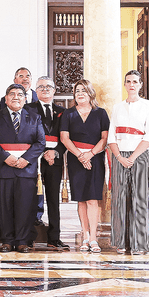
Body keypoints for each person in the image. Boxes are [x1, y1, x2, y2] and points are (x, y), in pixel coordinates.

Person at [0, 84, 45, 253]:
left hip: (26, 169)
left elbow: (40, 142)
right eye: (12, 94)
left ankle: (22, 240)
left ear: (25, 99)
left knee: (25, 206)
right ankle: (7, 240)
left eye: (20, 94)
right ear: (6, 98)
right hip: (2, 169)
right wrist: (6, 158)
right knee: (4, 206)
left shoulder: (34, 117)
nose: (16, 97)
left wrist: (25, 159)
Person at [108, 70, 149, 255]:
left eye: (135, 81)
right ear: (125, 84)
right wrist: (119, 157)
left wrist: (133, 157)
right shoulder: (117, 107)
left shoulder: (148, 106)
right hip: (119, 154)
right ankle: (121, 242)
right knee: (120, 198)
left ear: (140, 84)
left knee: (139, 199)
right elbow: (112, 135)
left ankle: (139, 244)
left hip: (140, 155)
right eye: (128, 81)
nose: (131, 85)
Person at [60, 79, 109, 254]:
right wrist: (81, 156)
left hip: (95, 158)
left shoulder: (101, 113)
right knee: (81, 199)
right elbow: (65, 138)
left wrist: (90, 154)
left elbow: (104, 139)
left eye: (84, 90)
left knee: (93, 199)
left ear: (90, 93)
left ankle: (94, 238)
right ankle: (85, 236)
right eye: (77, 90)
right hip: (75, 159)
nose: (80, 93)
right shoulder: (68, 113)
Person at [24, 77, 69, 251]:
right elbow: (26, 134)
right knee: (29, 199)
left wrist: (55, 152)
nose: (45, 89)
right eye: (41, 87)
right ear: (36, 90)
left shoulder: (63, 111)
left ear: (54, 90)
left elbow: (66, 136)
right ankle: (28, 237)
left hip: (55, 160)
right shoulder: (28, 109)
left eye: (48, 87)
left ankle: (54, 238)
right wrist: (42, 152)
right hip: (34, 159)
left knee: (53, 200)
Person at [0, 67, 43, 226]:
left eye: (28, 76)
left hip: (33, 153)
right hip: (10, 156)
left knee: (36, 186)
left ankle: (37, 216)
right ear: (14, 80)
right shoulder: (5, 99)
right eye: (21, 76)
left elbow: (40, 135)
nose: (25, 78)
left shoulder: (40, 97)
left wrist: (28, 156)